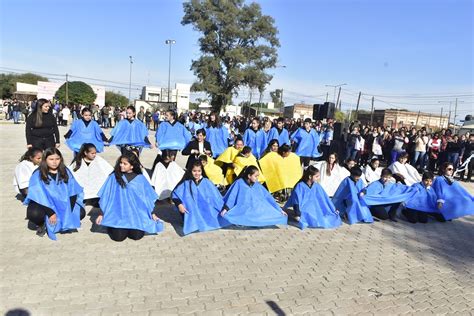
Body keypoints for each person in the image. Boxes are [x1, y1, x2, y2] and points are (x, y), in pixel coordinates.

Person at [96, 153, 163, 242]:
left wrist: (152, 214)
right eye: (120, 163)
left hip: (135, 214)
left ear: (132, 166)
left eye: (125, 164)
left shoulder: (140, 179)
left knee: (136, 236)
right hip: (118, 214)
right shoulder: (114, 177)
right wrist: (101, 214)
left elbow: (147, 198)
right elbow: (106, 196)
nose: (121, 165)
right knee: (118, 238)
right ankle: (111, 226)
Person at [24, 148, 85, 239]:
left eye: (57, 159)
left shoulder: (66, 172)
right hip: (45, 205)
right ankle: (42, 223)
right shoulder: (38, 173)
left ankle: (61, 222)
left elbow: (73, 192)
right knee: (34, 213)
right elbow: (38, 196)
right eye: (51, 159)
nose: (54, 162)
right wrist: (51, 213)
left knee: (80, 213)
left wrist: (67, 212)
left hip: (64, 203)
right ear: (45, 160)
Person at [172, 161, 231, 235]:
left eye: (199, 171)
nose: (197, 173)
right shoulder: (186, 182)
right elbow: (175, 195)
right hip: (191, 211)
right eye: (194, 171)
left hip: (206, 210)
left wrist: (224, 208)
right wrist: (179, 205)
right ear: (190, 171)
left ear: (202, 171)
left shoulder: (206, 182)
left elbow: (216, 197)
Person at [220, 166, 288, 227]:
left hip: (255, 210)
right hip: (242, 209)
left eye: (258, 176)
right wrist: (225, 210)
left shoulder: (257, 185)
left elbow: (268, 198)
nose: (257, 178)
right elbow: (232, 197)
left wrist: (280, 210)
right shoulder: (239, 183)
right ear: (249, 176)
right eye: (256, 176)